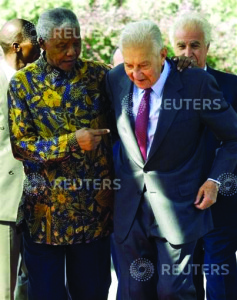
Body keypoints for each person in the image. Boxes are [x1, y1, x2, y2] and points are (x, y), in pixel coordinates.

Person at [106, 20, 237, 300]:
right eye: (129, 65)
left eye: (143, 65)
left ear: (163, 55)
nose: (135, 74)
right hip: (130, 210)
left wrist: (215, 180)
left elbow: (233, 137)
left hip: (179, 209)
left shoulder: (196, 84)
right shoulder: (115, 79)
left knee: (171, 292)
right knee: (134, 291)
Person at [8, 8, 114, 300]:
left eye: (76, 43)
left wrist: (176, 65)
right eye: (62, 46)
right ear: (41, 43)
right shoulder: (22, 84)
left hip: (93, 217)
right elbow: (22, 146)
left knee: (93, 294)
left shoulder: (101, 76)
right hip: (44, 220)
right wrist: (71, 142)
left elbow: (145, 82)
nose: (72, 52)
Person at [170, 12, 237, 300]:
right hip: (177, 205)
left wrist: (216, 181)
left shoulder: (232, 86)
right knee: (185, 281)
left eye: (195, 45)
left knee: (221, 276)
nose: (188, 53)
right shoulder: (159, 90)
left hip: (221, 201)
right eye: (181, 46)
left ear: (207, 47)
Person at [0, 18, 40, 300]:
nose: (40, 46)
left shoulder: (38, 79)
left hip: (41, 201)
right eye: (34, 42)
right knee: (4, 288)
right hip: (3, 203)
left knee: (35, 286)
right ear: (17, 46)